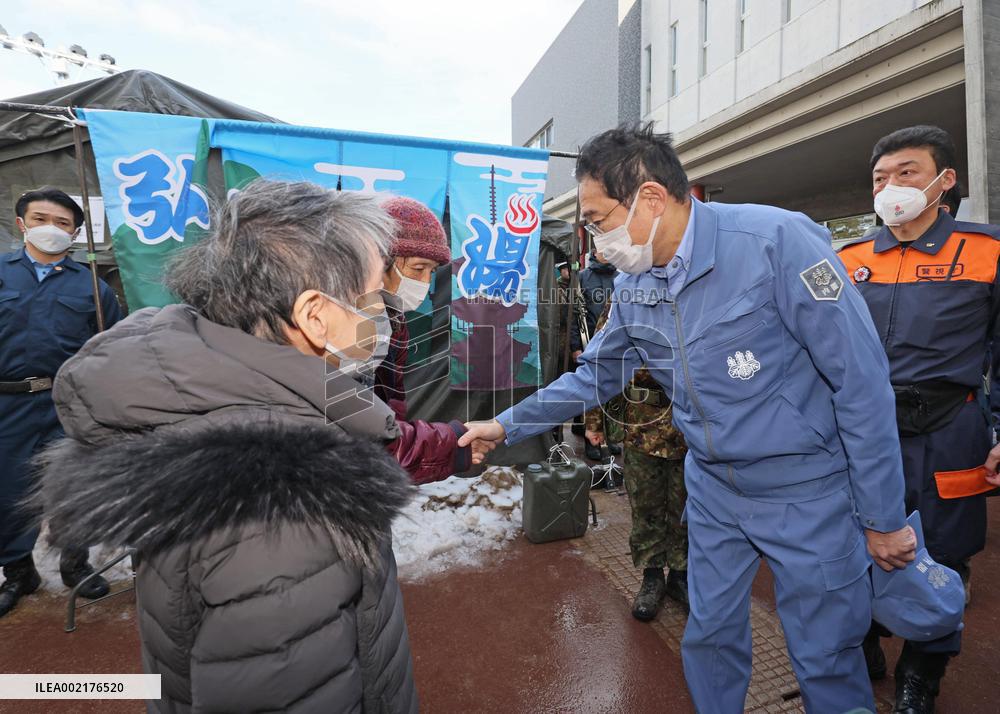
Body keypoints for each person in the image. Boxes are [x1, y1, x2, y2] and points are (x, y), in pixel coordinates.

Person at [460, 124, 915, 712]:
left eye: (598, 221)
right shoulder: (635, 283)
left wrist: (882, 517)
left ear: (650, 198)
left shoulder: (777, 242)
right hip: (713, 490)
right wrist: (506, 424)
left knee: (825, 650)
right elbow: (594, 376)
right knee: (710, 634)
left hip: (806, 491)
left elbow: (861, 383)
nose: (597, 240)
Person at [32, 180, 417, 712]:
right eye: (373, 297)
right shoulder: (282, 511)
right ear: (314, 315)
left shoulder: (207, 397)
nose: (385, 314)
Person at [837, 125, 1000, 712]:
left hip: (950, 428)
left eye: (906, 172)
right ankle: (863, 643)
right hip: (860, 432)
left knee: (943, 555)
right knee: (852, 544)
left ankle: (921, 676)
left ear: (944, 180)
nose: (891, 187)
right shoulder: (847, 260)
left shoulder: (987, 251)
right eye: (880, 177)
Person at [0, 187, 122, 619]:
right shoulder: (2, 273)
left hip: (67, 401)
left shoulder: (91, 286)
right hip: (7, 402)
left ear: (74, 234)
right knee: (9, 489)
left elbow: (112, 345)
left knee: (75, 485)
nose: (50, 228)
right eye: (40, 219)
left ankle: (76, 563)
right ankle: (18, 571)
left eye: (62, 223)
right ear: (22, 224)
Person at [584, 300, 688, 619]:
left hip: (690, 429)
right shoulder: (624, 301)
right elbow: (601, 363)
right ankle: (652, 576)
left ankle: (682, 575)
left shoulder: (696, 295)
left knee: (687, 508)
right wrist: (593, 420)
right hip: (642, 427)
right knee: (646, 505)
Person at [377, 195, 471, 483]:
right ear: (378, 261)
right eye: (418, 269)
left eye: (431, 272)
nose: (425, 283)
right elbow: (370, 437)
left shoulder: (394, 321)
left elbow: (390, 409)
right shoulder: (344, 328)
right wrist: (454, 442)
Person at [574, 250, 621, 460]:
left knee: (614, 393)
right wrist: (575, 346)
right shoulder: (583, 277)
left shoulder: (620, 277)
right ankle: (590, 440)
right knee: (591, 391)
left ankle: (611, 437)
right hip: (590, 342)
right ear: (595, 251)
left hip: (616, 344)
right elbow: (575, 313)